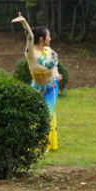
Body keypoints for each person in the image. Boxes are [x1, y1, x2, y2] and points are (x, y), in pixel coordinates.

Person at [12, 11, 61, 150]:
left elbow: (54, 63)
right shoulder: (31, 53)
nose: (50, 39)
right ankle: (33, 142)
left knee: (48, 114)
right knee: (33, 115)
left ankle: (44, 144)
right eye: (48, 36)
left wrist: (56, 74)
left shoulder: (48, 51)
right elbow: (30, 36)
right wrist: (24, 22)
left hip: (51, 87)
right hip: (37, 88)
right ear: (41, 39)